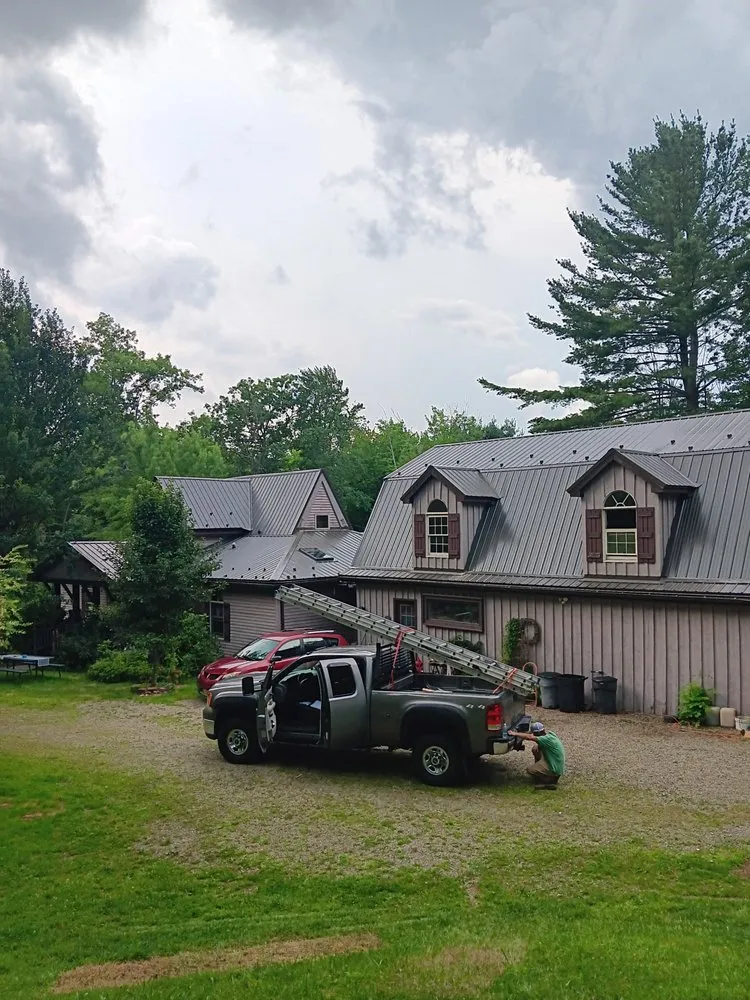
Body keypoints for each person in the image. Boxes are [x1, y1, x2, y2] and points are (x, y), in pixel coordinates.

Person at [508, 721, 565, 788]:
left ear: (537, 733)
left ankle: (548, 782)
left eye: (534, 733)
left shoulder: (544, 739)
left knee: (530, 770)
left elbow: (529, 737)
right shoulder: (550, 735)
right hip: (556, 763)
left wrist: (514, 733)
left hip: (555, 768)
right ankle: (543, 771)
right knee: (535, 748)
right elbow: (533, 738)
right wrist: (539, 746)